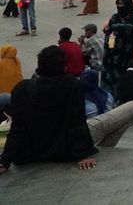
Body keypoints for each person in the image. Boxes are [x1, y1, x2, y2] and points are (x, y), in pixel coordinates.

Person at [0, 46, 99, 174]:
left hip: (31, 154)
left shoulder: (21, 89)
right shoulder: (72, 85)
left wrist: (4, 160)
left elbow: (17, 128)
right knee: (129, 109)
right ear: (64, 67)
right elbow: (77, 123)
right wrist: (82, 155)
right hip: (65, 152)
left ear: (39, 67)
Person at [102, 0, 133, 93]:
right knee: (113, 73)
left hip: (128, 50)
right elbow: (110, 33)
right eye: (118, 4)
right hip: (114, 51)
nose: (120, 6)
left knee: (127, 72)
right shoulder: (114, 17)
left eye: (122, 4)